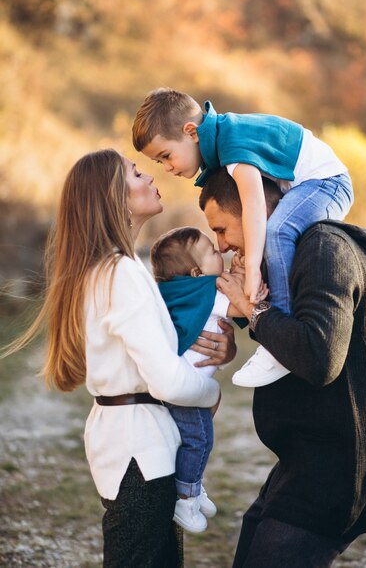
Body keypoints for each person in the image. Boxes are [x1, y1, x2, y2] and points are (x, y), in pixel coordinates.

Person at [1, 150, 237, 568]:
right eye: (134, 172)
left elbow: (165, 354)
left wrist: (221, 349)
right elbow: (167, 382)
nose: (148, 176)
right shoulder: (120, 273)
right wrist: (210, 391)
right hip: (137, 451)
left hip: (137, 445)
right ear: (113, 196)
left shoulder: (117, 268)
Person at [199, 168, 366, 568]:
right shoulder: (299, 251)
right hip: (306, 458)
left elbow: (319, 356)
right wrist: (245, 318)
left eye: (222, 229)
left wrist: (256, 313)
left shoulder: (324, 249)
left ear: (253, 210)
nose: (222, 246)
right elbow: (295, 334)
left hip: (337, 468)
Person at [132, 87, 354, 388]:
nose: (168, 168)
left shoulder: (232, 142)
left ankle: (279, 343)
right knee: (273, 239)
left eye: (166, 156)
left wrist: (251, 271)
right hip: (309, 185)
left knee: (277, 231)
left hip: (327, 182)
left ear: (191, 131)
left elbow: (253, 202)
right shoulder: (223, 145)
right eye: (160, 163)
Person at [150, 226, 250, 533]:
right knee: (199, 440)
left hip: (185, 385)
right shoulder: (206, 291)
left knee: (197, 439)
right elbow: (243, 306)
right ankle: (186, 498)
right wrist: (245, 279)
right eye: (211, 252)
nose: (219, 253)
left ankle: (192, 487)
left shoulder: (185, 292)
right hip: (187, 388)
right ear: (196, 272)